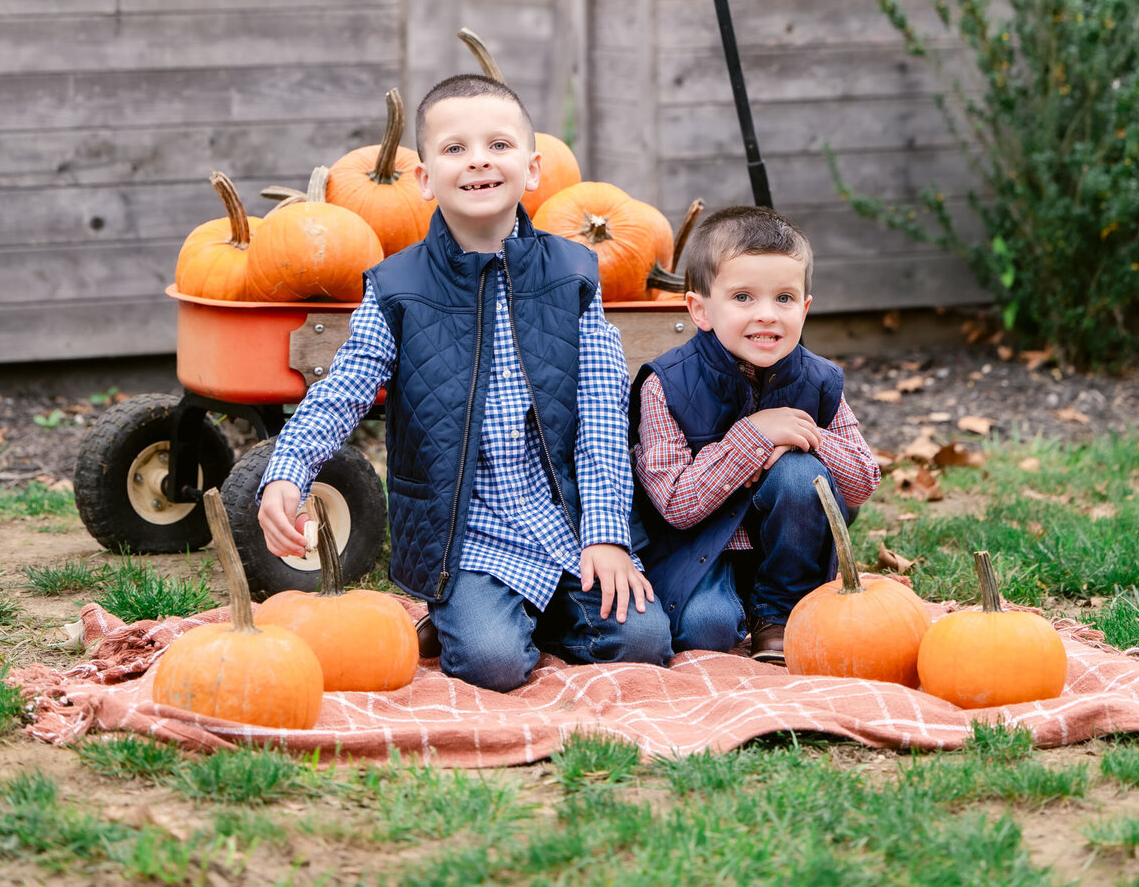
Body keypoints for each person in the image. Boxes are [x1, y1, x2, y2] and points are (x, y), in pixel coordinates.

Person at [258, 72, 672, 691]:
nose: (478, 160)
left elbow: (603, 417)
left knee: (644, 644)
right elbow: (343, 389)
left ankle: (525, 613)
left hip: (565, 519)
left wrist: (607, 538)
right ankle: (474, 614)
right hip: (468, 534)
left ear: (533, 170)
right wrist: (289, 468)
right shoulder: (399, 289)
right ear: (424, 179)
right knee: (492, 664)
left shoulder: (574, 275)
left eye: (498, 146)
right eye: (454, 148)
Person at [630, 204, 880, 664]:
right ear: (700, 309)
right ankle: (739, 608)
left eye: (784, 299)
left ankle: (780, 613)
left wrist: (812, 438)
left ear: (804, 309)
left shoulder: (819, 380)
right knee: (708, 628)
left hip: (790, 553)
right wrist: (752, 436)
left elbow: (862, 483)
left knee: (799, 472)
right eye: (743, 297)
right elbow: (676, 506)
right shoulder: (664, 385)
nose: (767, 315)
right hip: (702, 548)